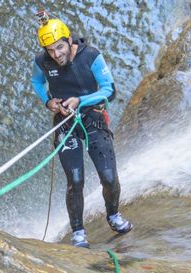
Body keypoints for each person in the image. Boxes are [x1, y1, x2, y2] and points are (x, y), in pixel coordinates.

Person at [29, 16, 133, 248]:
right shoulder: (42, 61)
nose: (56, 55)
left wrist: (81, 100)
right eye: (50, 50)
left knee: (108, 177)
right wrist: (48, 102)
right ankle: (78, 232)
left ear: (69, 40)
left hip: (93, 118)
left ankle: (113, 215)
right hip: (65, 122)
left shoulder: (91, 56)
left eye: (60, 47)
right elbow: (36, 82)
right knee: (75, 180)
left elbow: (110, 90)